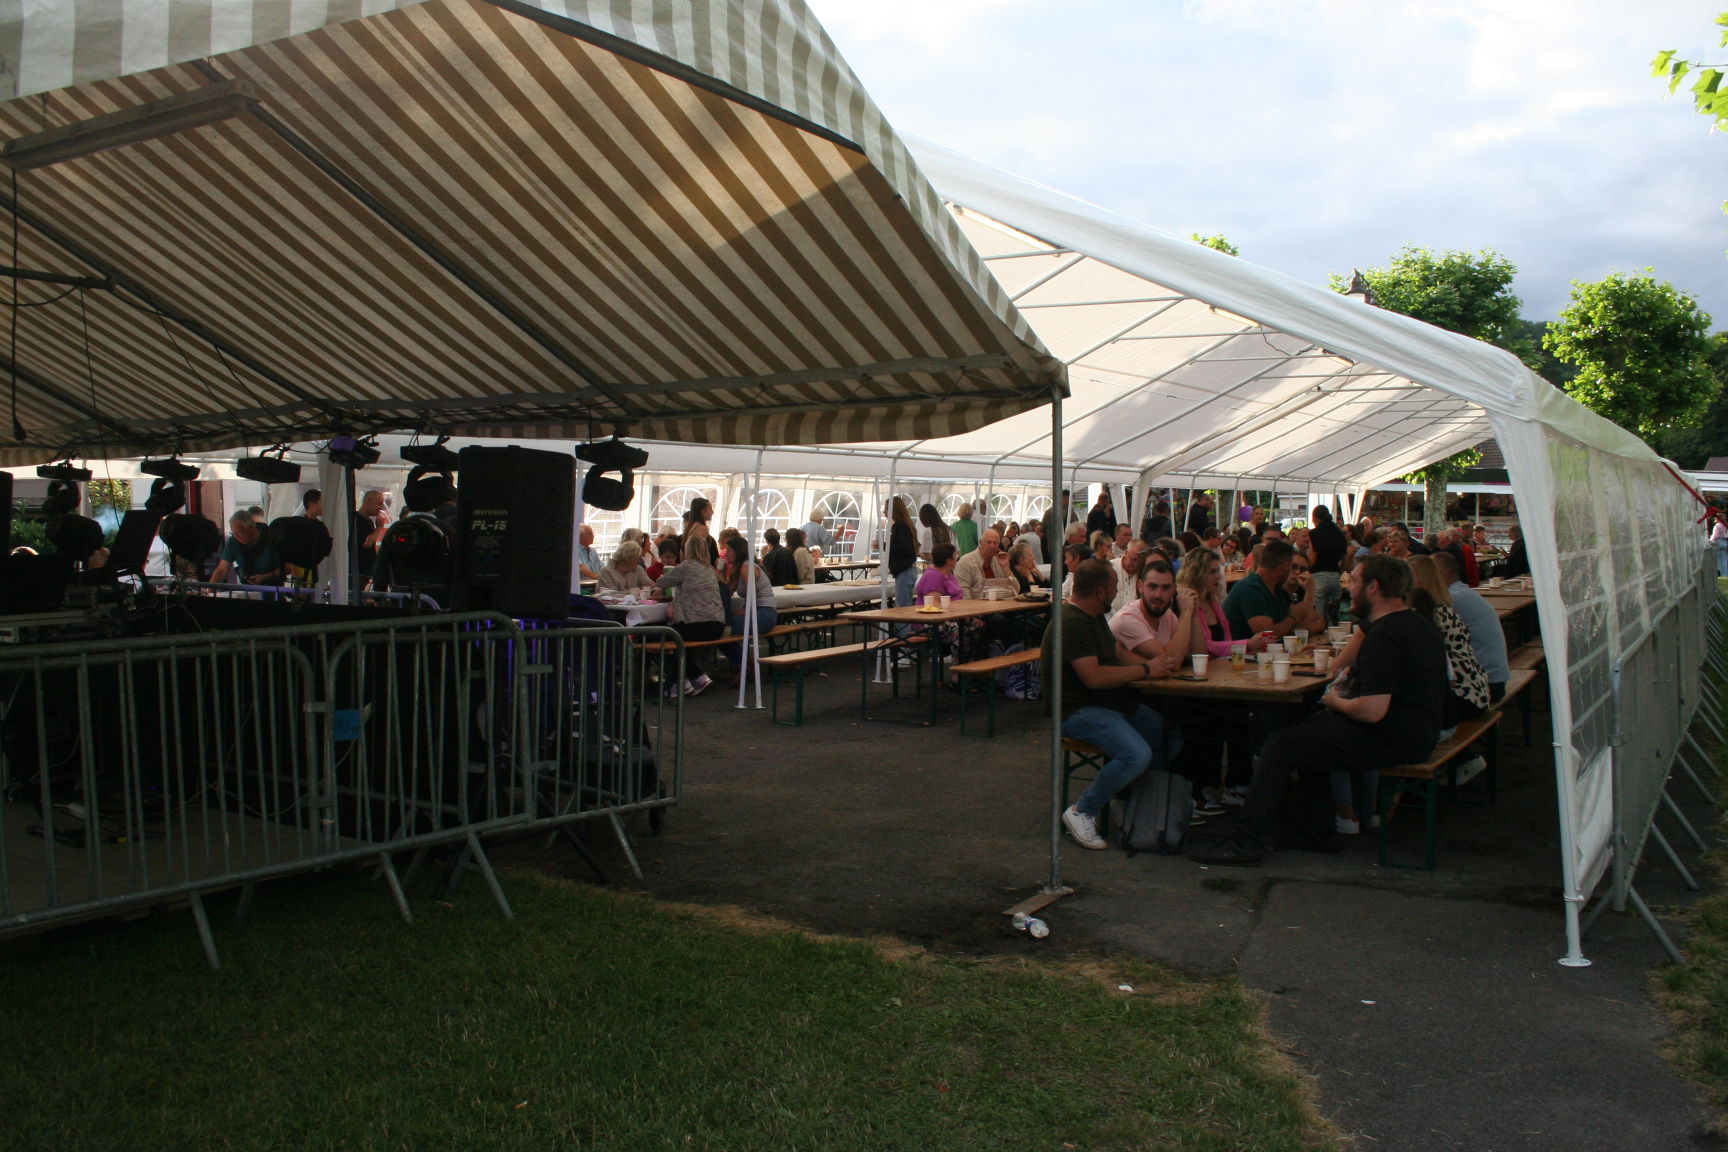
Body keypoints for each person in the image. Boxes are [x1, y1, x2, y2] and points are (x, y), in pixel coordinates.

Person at [1191, 555, 1449, 865]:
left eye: (1355, 581)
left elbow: (1372, 711)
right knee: (1308, 735)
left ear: (1374, 587)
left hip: (1395, 737)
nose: (1349, 589)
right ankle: (1317, 832)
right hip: (1419, 731)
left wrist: (1335, 702)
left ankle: (1246, 842)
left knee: (1281, 745)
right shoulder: (1417, 623)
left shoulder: (1385, 635)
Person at [1043, 559, 1181, 850]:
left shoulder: (1092, 616)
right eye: (1115, 586)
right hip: (1077, 710)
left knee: (1166, 732)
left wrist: (1154, 665)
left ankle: (1136, 801)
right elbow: (1094, 678)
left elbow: (1116, 653)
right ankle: (1082, 810)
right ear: (1101, 591)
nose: (1118, 591)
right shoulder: (1073, 622)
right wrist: (1146, 670)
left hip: (1107, 704)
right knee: (1136, 754)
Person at [1433, 550, 1508, 704]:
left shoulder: (1451, 598)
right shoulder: (1462, 592)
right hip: (1494, 679)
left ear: (1439, 574)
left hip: (1484, 685)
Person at [655, 535, 725, 697]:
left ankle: (689, 679)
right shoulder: (709, 569)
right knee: (675, 638)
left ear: (687, 550)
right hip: (717, 625)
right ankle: (685, 681)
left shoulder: (687, 566)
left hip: (698, 624)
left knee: (663, 636)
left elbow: (662, 582)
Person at [1224, 539, 1324, 640]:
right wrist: (1293, 617)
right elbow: (1267, 636)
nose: (1296, 572)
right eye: (1292, 566)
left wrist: (1310, 591)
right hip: (1242, 650)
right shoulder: (1250, 589)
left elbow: (1300, 629)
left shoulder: (1276, 589)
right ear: (1284, 566)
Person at [1109, 559, 1197, 675]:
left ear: (1174, 590)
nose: (1158, 595)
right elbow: (1173, 662)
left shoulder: (1167, 614)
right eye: (1152, 587)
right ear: (1140, 586)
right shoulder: (1126, 619)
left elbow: (1198, 656)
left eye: (1166, 588)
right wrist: (1186, 613)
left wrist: (1194, 614)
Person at [723, 535, 778, 684]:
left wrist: (745, 610)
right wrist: (721, 572)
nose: (726, 553)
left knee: (721, 630)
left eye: (729, 550)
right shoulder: (740, 568)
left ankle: (743, 664)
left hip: (763, 613)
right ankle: (746, 662)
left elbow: (751, 593)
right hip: (761, 612)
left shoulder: (747, 567)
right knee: (719, 628)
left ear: (738, 552)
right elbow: (726, 592)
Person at [210, 511, 280, 585]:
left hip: (273, 588)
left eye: (239, 532)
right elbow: (221, 570)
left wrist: (264, 577)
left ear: (251, 528)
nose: (236, 537)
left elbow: (286, 568)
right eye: (233, 533)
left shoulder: (272, 538)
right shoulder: (233, 541)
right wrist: (210, 589)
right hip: (246, 587)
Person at [1308, 504, 1347, 625]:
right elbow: (1345, 558)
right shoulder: (1340, 534)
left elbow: (1313, 559)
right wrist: (1339, 572)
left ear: (1315, 518)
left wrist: (1306, 570)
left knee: (1318, 616)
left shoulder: (1314, 534)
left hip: (1319, 576)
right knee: (1333, 616)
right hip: (1335, 576)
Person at [955, 526, 1014, 598]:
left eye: (995, 543)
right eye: (988, 542)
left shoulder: (999, 562)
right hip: (975, 605)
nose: (992, 546)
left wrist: (1006, 567)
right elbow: (963, 595)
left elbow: (1016, 590)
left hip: (1000, 604)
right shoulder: (966, 562)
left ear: (999, 545)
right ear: (980, 542)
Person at [887, 497, 919, 610]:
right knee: (905, 604)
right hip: (907, 570)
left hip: (904, 571)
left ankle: (904, 623)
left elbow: (904, 548)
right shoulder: (906, 525)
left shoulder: (900, 526)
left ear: (893, 510)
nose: (884, 512)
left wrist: (885, 545)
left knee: (903, 607)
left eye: (886, 509)